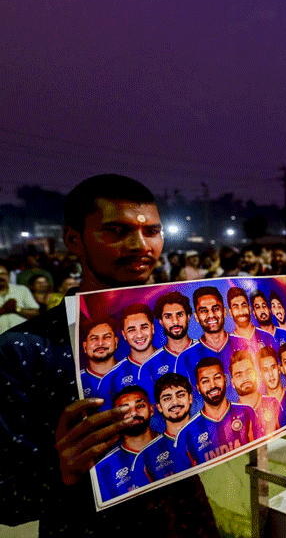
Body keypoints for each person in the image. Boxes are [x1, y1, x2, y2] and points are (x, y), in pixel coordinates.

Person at [0, 174, 221, 537]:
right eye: (117, 231)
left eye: (152, 231)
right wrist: (61, 469)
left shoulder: (177, 328)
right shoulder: (24, 349)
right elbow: (7, 499)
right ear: (74, 240)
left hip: (189, 522)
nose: (141, 245)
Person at [180, 357, 256, 465]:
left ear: (225, 379)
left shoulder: (246, 412)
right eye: (205, 381)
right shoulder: (187, 433)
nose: (213, 385)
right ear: (198, 387)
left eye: (217, 378)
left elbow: (262, 453)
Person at [93, 385, 158, 502]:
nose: (133, 413)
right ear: (115, 419)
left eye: (140, 406)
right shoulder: (103, 469)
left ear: (151, 410)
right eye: (124, 410)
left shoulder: (176, 443)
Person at [132, 373, 194, 485]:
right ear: (159, 407)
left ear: (190, 398)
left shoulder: (213, 431)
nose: (175, 402)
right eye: (167, 398)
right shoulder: (145, 457)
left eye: (180, 395)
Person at [99, 303, 157, 406]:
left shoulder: (174, 359)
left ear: (152, 328)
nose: (139, 335)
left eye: (144, 327)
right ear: (124, 334)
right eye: (131, 330)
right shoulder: (113, 377)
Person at [229, 349, 281, 436]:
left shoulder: (273, 403)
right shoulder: (231, 417)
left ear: (256, 374)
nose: (245, 378)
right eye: (239, 375)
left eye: (249, 372)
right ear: (232, 382)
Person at [79, 316, 118, 401]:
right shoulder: (78, 381)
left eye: (107, 337)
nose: (100, 343)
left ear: (116, 342)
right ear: (85, 346)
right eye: (94, 338)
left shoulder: (134, 371)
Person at [0, 263, 40, 333]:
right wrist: (3, 310)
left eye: (3, 274)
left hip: (23, 335)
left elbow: (36, 312)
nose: (0, 277)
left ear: (9, 276)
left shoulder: (21, 289)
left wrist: (17, 309)